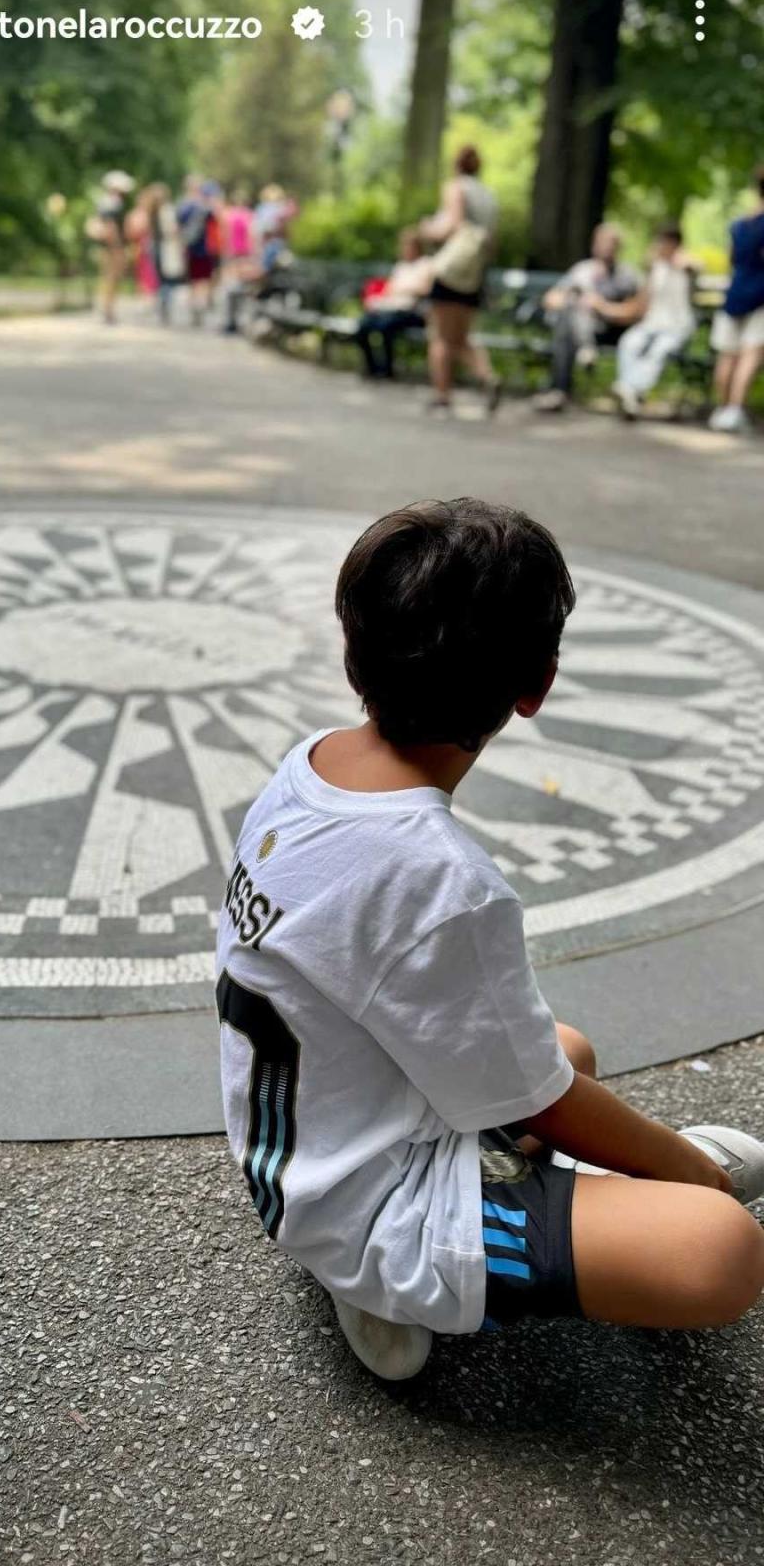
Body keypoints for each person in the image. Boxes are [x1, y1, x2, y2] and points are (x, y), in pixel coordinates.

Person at [216, 496, 764, 1383]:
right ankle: (375, 1282)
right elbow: (543, 1104)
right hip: (373, 1205)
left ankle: (435, 1242)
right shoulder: (442, 884)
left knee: (566, 1050)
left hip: (301, 1150)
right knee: (721, 1249)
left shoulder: (308, 765)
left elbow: (536, 1080)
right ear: (536, 686)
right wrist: (688, 1172)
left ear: (354, 646)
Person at [419, 145, 501, 415]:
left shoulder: (456, 188)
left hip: (451, 270)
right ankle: (487, 376)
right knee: (463, 337)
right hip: (474, 273)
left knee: (441, 336)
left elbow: (450, 226)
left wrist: (428, 229)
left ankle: (442, 395)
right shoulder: (488, 195)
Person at [534, 224, 642, 412]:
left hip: (612, 330)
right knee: (570, 316)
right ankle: (585, 351)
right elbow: (551, 298)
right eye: (602, 242)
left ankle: (559, 390)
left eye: (611, 243)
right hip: (579, 327)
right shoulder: (582, 271)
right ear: (594, 245)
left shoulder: (627, 276)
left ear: (618, 247)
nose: (606, 247)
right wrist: (573, 300)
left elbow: (636, 310)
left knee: (568, 324)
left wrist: (602, 306)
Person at [612, 224, 698, 420]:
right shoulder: (656, 268)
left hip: (677, 326)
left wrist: (676, 261)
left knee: (659, 351)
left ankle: (627, 388)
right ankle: (631, 396)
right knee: (629, 343)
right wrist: (650, 268)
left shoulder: (684, 263)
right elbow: (644, 299)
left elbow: (694, 267)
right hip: (652, 323)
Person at [709, 165, 764, 435]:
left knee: (727, 354)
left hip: (735, 293)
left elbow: (733, 259)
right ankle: (734, 409)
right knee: (750, 354)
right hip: (759, 296)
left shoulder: (741, 225)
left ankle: (722, 410)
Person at [355, 229, 433, 379]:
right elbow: (389, 289)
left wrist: (405, 289)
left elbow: (425, 289)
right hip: (391, 308)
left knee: (385, 327)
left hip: (412, 311)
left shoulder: (426, 264)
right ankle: (372, 368)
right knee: (363, 326)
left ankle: (387, 370)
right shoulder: (401, 266)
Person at [89, 170, 133, 324]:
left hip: (108, 246)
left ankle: (108, 308)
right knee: (112, 278)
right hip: (112, 247)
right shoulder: (112, 203)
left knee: (109, 277)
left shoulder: (105, 201)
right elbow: (111, 226)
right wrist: (117, 247)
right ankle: (108, 309)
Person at [176, 175, 218, 325]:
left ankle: (194, 306)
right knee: (204, 280)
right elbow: (215, 221)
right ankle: (200, 306)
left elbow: (178, 226)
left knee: (193, 280)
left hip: (189, 247)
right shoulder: (204, 205)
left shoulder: (182, 205)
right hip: (204, 247)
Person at [146, 183, 185, 324]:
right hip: (165, 247)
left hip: (154, 246)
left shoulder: (151, 210)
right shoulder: (166, 210)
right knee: (167, 279)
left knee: (160, 279)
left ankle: (162, 304)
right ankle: (165, 306)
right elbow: (172, 230)